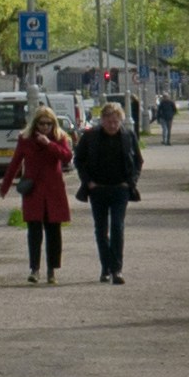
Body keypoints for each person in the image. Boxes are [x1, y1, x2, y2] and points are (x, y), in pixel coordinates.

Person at [73, 97, 142, 285]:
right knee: (101, 229)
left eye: (116, 122)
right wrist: (88, 182)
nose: (112, 125)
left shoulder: (128, 135)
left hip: (120, 188)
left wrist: (131, 182)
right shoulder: (90, 136)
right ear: (102, 120)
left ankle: (117, 270)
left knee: (118, 227)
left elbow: (138, 161)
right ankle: (105, 268)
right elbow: (78, 160)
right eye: (109, 121)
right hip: (98, 190)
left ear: (120, 121)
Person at [6, 110, 75, 284]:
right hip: (34, 191)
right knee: (34, 232)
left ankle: (52, 270)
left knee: (54, 232)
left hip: (54, 191)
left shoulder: (60, 137)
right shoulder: (25, 139)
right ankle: (34, 269)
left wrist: (49, 144)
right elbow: (15, 161)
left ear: (53, 124)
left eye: (48, 124)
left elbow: (67, 157)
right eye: (41, 123)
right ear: (35, 124)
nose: (45, 127)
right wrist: (5, 186)